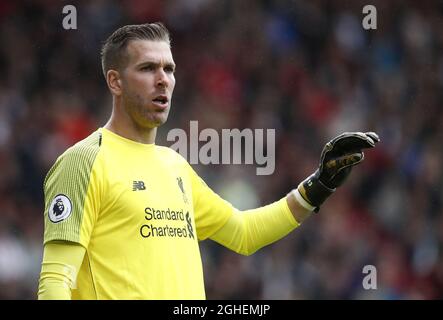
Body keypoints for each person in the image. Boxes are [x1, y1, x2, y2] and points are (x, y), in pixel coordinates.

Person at [37, 22, 380, 300]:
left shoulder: (175, 167)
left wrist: (317, 187)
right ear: (115, 81)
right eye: (147, 68)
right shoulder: (83, 161)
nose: (163, 80)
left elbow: (244, 233)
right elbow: (55, 281)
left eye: (168, 69)